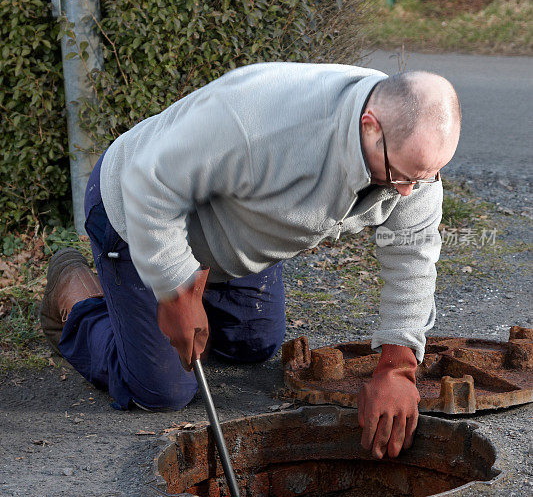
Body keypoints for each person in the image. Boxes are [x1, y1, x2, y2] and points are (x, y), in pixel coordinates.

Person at [40, 62, 461, 460]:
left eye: (426, 177)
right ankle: (76, 296)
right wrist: (175, 287)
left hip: (233, 232)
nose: (409, 192)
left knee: (254, 346)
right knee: (162, 391)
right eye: (402, 177)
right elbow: (149, 182)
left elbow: (412, 251)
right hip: (136, 214)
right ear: (370, 126)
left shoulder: (411, 159)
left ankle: (203, 289)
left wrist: (399, 366)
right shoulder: (260, 121)